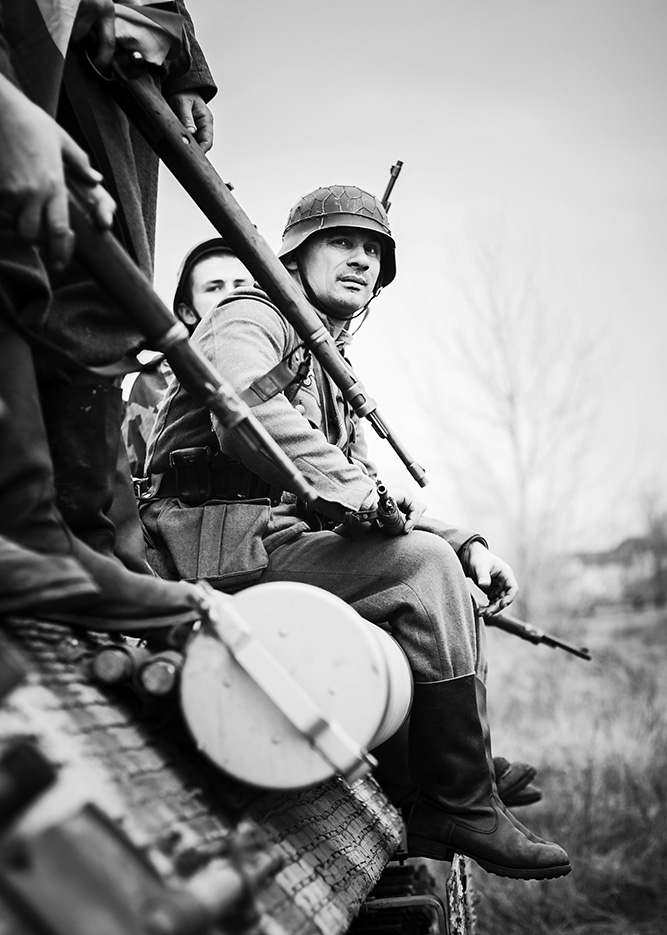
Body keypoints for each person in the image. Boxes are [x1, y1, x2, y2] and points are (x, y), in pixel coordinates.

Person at [141, 185, 570, 880]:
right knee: (419, 567)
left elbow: (363, 479)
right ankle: (460, 801)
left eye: (373, 251)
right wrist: (357, 499)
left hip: (270, 540)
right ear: (293, 256)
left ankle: (442, 789)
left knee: (442, 567)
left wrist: (465, 542)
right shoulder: (248, 315)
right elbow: (244, 414)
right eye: (341, 242)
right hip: (211, 546)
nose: (361, 260)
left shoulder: (327, 363)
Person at [0, 0, 204, 629]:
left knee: (103, 287)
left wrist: (186, 70)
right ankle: (37, 539)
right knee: (33, 247)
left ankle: (61, 545)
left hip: (114, 51)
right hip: (42, 44)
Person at [123, 238, 252, 479]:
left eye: (241, 285)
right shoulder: (158, 379)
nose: (233, 295)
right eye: (214, 287)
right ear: (187, 312)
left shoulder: (284, 363)